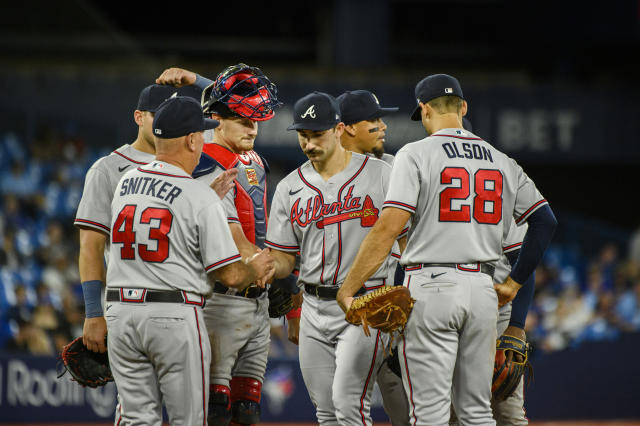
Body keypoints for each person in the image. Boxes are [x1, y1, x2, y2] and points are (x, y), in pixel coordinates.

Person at [337, 74, 557, 425]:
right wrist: (513, 284)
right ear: (463, 107)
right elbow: (546, 221)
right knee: (476, 412)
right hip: (484, 291)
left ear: (424, 110)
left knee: (430, 414)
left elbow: (389, 226)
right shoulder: (501, 160)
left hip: (432, 287)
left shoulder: (415, 153)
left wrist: (348, 289)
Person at [104, 96, 274, 425]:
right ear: (193, 139)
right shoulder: (197, 196)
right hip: (172, 315)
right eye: (201, 135)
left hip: (121, 313)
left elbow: (165, 216)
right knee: (190, 419)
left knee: (136, 418)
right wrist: (255, 267)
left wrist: (208, 197)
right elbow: (232, 275)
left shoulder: (126, 182)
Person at [156, 64, 286, 426]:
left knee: (247, 412)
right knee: (215, 408)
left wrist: (195, 78)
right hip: (222, 297)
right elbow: (231, 233)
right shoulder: (207, 160)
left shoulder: (248, 156)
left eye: (257, 119)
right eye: (244, 120)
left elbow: (231, 96)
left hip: (254, 297)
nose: (253, 126)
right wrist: (265, 266)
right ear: (216, 120)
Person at [265, 91, 406, 425]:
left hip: (366, 303)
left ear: (339, 129)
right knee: (326, 412)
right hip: (313, 307)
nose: (310, 143)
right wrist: (268, 266)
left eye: (317, 134)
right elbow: (285, 258)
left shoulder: (382, 174)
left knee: (347, 403)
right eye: (303, 135)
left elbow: (407, 240)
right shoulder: (289, 187)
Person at [337, 89, 410, 426]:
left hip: (381, 298)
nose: (383, 126)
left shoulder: (394, 167)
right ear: (347, 127)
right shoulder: (319, 174)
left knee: (398, 394)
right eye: (374, 120)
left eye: (382, 119)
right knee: (337, 404)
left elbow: (409, 241)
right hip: (327, 301)